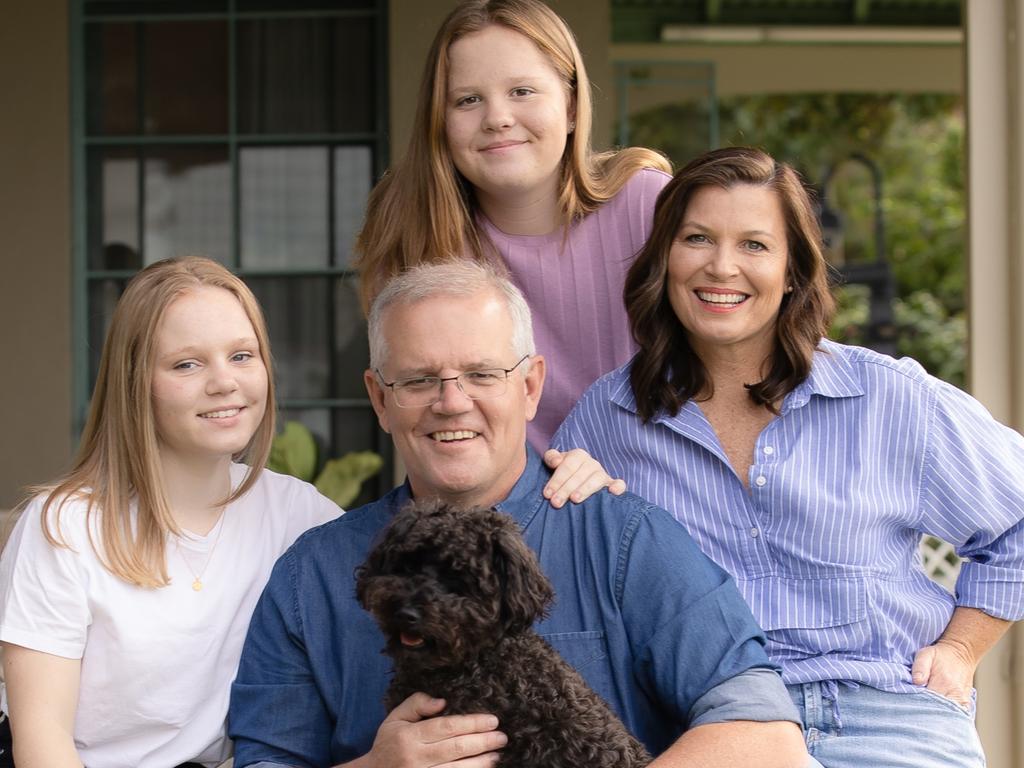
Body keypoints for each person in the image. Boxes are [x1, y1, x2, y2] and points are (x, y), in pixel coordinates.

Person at [0, 257, 612, 768]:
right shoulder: (65, 527)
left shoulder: (298, 514)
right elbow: (41, 741)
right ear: (136, 381)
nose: (224, 383)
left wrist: (577, 471)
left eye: (242, 356)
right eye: (187, 364)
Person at [228, 260, 809, 768]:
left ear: (530, 386)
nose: (452, 401)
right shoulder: (313, 574)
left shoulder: (623, 538)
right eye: (419, 379)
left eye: (482, 374)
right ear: (380, 399)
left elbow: (765, 737)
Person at [553, 146, 1024, 767]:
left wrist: (963, 648)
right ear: (664, 259)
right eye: (697, 238)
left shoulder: (890, 399)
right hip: (712, 727)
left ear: (794, 270)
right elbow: (553, 580)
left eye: (754, 245)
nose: (722, 267)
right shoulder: (609, 419)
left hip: (889, 715)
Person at [355, 0, 672, 449]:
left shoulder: (647, 206)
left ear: (573, 107)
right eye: (468, 100)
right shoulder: (413, 226)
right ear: (439, 123)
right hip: (492, 501)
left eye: (522, 91)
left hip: (646, 490)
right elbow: (420, 414)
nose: (498, 118)